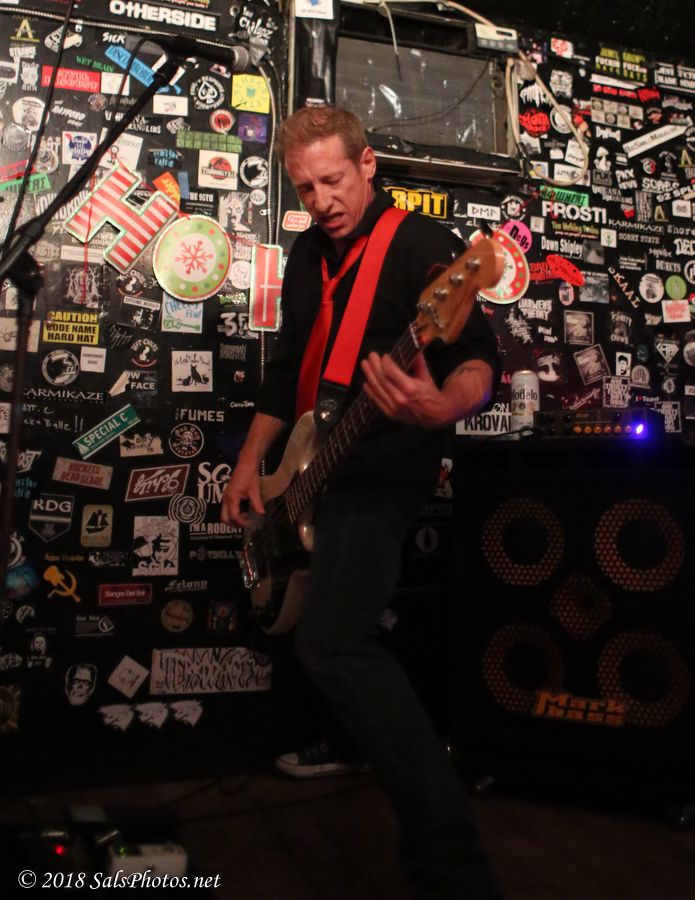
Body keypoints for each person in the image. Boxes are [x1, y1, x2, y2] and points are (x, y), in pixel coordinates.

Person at [221, 106, 504, 900]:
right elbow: (288, 372)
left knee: (333, 643)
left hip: (379, 472)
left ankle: (455, 871)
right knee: (328, 639)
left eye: (333, 180)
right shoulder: (307, 253)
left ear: (368, 163)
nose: (321, 201)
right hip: (309, 471)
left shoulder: (420, 245)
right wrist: (250, 465)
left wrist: (441, 404)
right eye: (305, 189)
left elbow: (477, 358)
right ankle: (348, 744)